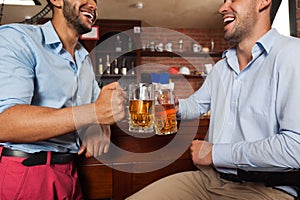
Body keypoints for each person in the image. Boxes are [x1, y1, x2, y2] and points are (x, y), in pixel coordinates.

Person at [126, 0, 300, 199]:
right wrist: (176, 105)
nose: (222, 8)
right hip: (209, 181)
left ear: (263, 2)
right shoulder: (221, 68)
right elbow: (197, 104)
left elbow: (295, 148)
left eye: (232, 0)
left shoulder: (292, 54)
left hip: (266, 189)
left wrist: (215, 154)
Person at [0, 0, 126, 199]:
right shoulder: (18, 38)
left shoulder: (84, 58)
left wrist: (100, 127)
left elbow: (101, 107)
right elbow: (5, 123)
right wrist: (93, 114)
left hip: (70, 173)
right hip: (27, 172)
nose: (92, 4)